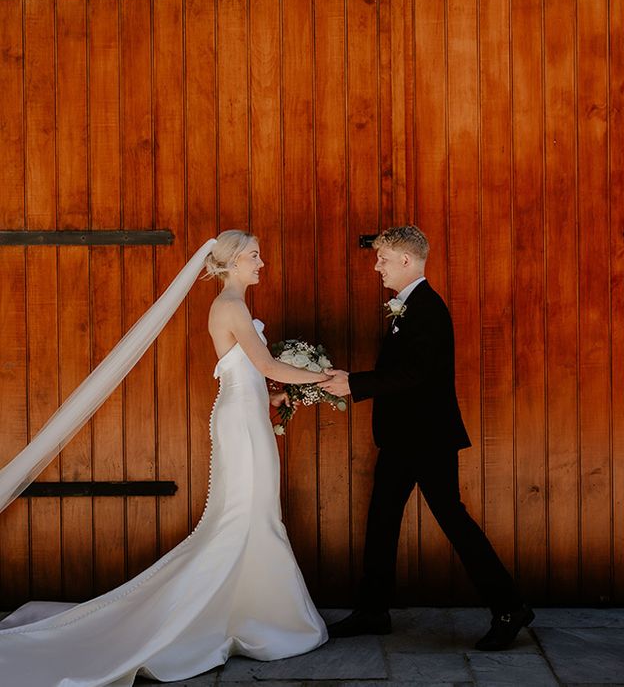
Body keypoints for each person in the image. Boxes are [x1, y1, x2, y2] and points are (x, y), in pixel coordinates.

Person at [0, 230, 328, 685]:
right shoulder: (230, 306)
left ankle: (253, 613)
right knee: (246, 518)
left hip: (248, 416)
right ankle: (255, 621)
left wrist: (273, 399)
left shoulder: (235, 304)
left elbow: (249, 372)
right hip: (240, 424)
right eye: (254, 256)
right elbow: (268, 367)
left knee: (255, 516)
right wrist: (326, 379)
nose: (261, 263)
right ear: (232, 262)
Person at [322, 225, 534, 651]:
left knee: (454, 521)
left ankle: (510, 608)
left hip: (428, 439)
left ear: (406, 261)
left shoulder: (427, 309)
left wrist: (354, 384)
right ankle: (373, 610)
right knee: (382, 519)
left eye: (383, 259)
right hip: (402, 438)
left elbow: (414, 374)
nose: (377, 266)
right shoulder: (409, 305)